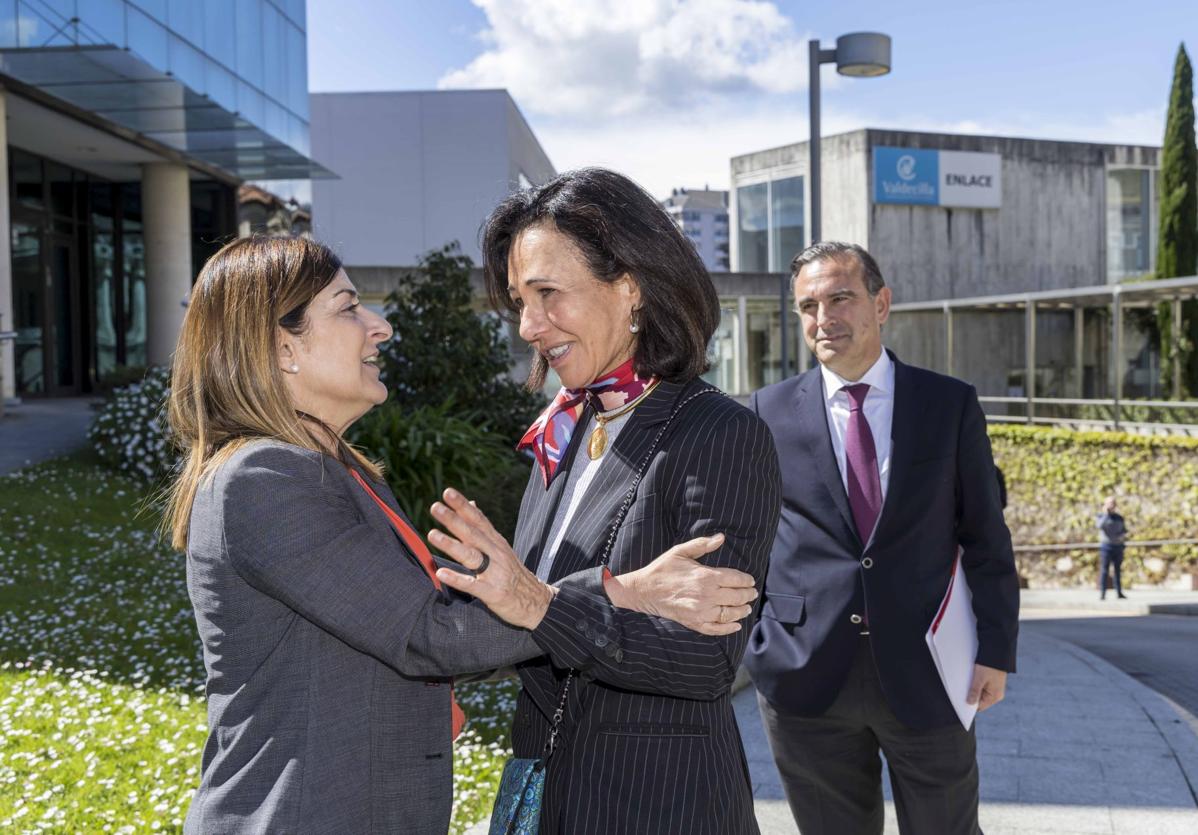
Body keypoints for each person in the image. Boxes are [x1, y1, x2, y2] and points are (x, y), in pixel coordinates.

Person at [165, 235, 762, 834]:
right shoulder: (265, 478)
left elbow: (431, 626)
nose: (380, 327)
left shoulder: (330, 470)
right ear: (282, 347)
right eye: (349, 308)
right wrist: (621, 589)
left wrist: (500, 589)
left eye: (547, 293)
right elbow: (431, 636)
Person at [428, 168, 782, 834]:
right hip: (542, 789)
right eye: (518, 300)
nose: (529, 325)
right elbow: (521, 614)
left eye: (547, 294)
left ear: (631, 288)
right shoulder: (566, 430)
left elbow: (707, 659)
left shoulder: (720, 433)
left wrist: (538, 600)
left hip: (657, 806)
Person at [744, 241, 1020, 835]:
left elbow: (985, 536)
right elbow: (746, 537)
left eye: (840, 298)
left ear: (882, 302)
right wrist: (759, 640)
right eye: (809, 306)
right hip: (805, 678)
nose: (825, 319)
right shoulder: (765, 413)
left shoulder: (948, 405)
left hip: (929, 671)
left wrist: (996, 649)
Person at [1097, 496, 1129, 599]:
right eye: (1109, 503)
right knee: (1104, 570)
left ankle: (1119, 592)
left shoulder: (1119, 518)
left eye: (1113, 503)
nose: (1111, 505)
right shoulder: (1101, 516)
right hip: (1106, 546)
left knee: (1117, 570)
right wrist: (1106, 514)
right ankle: (1103, 593)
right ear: (1105, 504)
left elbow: (1124, 530)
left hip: (1118, 546)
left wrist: (1122, 538)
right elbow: (1099, 526)